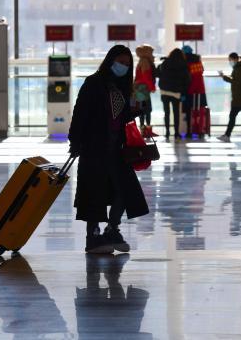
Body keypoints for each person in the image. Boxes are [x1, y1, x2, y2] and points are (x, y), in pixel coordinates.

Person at [69, 45, 149, 254]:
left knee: (123, 190)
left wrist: (136, 110)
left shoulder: (123, 87)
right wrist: (75, 142)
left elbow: (120, 117)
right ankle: (93, 235)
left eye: (127, 64)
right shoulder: (93, 83)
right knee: (94, 191)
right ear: (110, 61)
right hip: (94, 147)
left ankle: (112, 228)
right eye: (120, 62)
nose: (123, 66)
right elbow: (80, 113)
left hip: (118, 149)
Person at [155, 48, 190, 140]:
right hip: (176, 93)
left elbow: (157, 74)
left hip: (164, 92)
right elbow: (187, 80)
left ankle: (167, 132)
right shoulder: (183, 65)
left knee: (166, 112)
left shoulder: (165, 63)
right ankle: (176, 133)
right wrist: (183, 91)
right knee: (176, 113)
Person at [182, 45, 207, 138]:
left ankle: (189, 131)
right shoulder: (198, 60)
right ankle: (200, 131)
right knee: (200, 111)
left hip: (189, 89)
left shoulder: (185, 63)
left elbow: (185, 77)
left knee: (189, 111)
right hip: (200, 89)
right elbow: (202, 71)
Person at [133, 44, 156, 137]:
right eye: (151, 52)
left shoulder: (140, 61)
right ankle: (147, 130)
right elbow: (146, 76)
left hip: (139, 89)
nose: (152, 54)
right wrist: (152, 87)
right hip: (143, 90)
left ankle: (143, 130)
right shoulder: (145, 61)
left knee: (142, 109)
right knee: (147, 109)